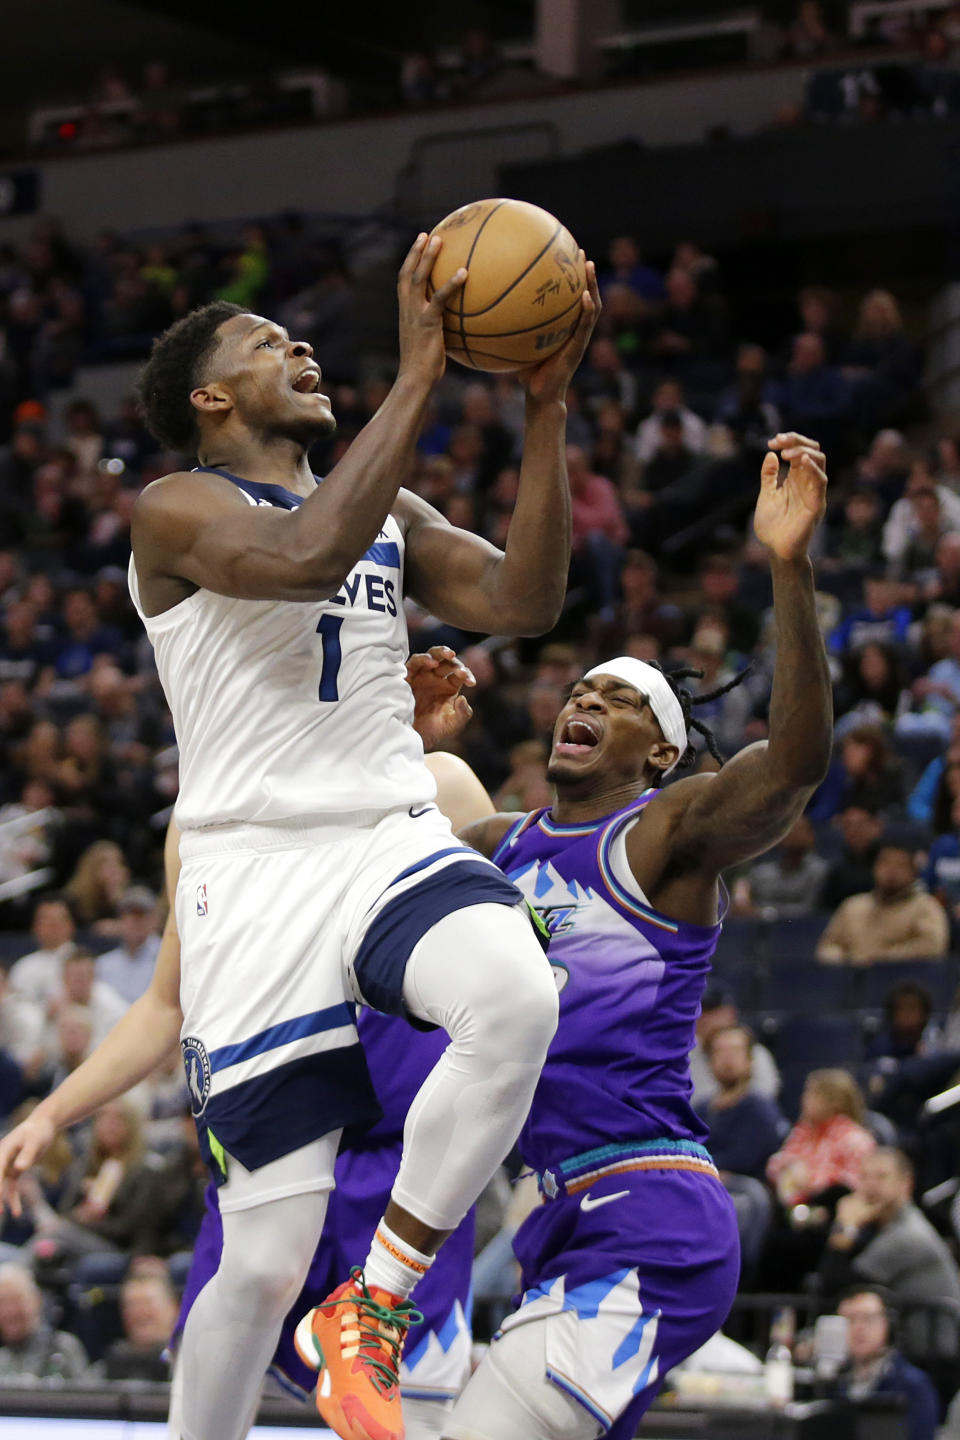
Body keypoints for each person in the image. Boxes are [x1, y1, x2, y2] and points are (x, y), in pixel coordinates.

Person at [115, 235, 596, 1440]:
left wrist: (547, 410)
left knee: (517, 996)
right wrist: (424, 371)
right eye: (271, 347)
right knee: (267, 1255)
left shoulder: (388, 506)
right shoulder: (175, 507)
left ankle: (374, 1310)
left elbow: (525, 602)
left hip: (386, 829)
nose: (305, 350)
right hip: (255, 868)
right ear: (211, 400)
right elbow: (300, 554)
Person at [440, 432, 833, 1440]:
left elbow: (791, 764)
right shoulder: (496, 844)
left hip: (648, 1207)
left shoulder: (663, 832)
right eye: (582, 691)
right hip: (550, 1218)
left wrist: (788, 571)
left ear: (656, 752)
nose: (587, 701)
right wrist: (395, 734)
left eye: (619, 702)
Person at [0, 664, 499, 1440]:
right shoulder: (202, 820)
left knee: (407, 1424)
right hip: (268, 1148)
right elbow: (167, 1005)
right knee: (206, 1415)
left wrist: (398, 759)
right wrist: (52, 1114)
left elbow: (508, 947)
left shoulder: (440, 785)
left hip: (397, 1174)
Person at [819, 1149, 960, 1357]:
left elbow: (838, 1287)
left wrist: (845, 1226)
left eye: (881, 1176)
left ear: (906, 1184)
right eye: (864, 1177)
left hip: (934, 1360)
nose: (871, 1185)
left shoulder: (907, 1234)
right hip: (909, 1352)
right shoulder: (880, 1227)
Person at [815, 843, 949, 964]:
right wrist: (843, 959)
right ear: (874, 868)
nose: (891, 870)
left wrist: (883, 960)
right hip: (852, 981)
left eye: (900, 865)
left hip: (903, 981)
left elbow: (932, 945)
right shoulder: (853, 906)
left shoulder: (926, 906)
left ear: (913, 873)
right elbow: (827, 946)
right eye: (885, 863)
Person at [834, 1288, 940, 1440]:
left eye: (868, 1319)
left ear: (888, 1324)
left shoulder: (914, 1385)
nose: (858, 1328)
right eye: (850, 1320)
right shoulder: (832, 1382)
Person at [0, 1261, 89, 1382]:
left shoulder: (63, 1348)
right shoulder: (3, 1357)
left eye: (17, 1300)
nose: (10, 1311)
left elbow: (84, 1396)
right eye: (2, 1302)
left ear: (37, 1301)